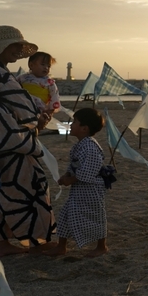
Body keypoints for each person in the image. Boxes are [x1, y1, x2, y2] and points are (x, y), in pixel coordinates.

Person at [0, 25, 55, 257]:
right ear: (1, 48)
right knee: (31, 187)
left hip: (2, 138)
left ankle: (1, 243)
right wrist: (37, 119)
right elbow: (20, 105)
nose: (20, 49)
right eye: (15, 45)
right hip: (12, 140)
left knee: (6, 191)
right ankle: (38, 240)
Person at [47, 108, 108, 258]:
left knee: (95, 215)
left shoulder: (90, 146)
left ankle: (102, 246)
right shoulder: (80, 145)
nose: (71, 124)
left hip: (91, 189)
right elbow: (74, 165)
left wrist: (71, 179)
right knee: (66, 215)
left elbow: (89, 170)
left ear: (84, 128)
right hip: (79, 189)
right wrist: (66, 175)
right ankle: (61, 246)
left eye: (75, 122)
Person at [17, 51, 61, 116]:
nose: (46, 68)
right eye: (43, 64)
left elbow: (55, 96)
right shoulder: (22, 78)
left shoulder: (49, 82)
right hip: (22, 107)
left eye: (48, 66)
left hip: (40, 110)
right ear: (31, 65)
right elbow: (13, 88)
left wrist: (51, 110)